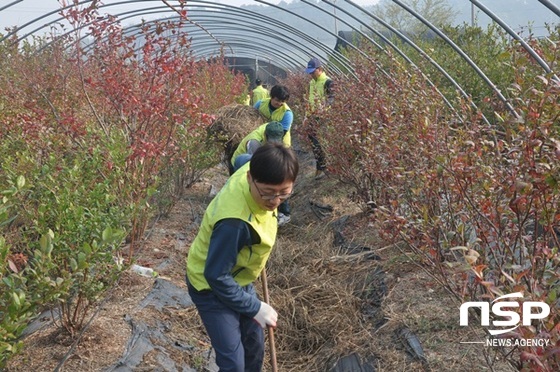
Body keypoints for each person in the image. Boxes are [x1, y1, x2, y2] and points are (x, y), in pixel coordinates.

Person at [186, 143, 299, 372]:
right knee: (234, 363)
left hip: (238, 276)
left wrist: (252, 307)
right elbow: (216, 275)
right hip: (210, 285)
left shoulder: (255, 169)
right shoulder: (234, 224)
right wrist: (254, 306)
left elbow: (243, 159)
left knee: (254, 346)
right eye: (268, 193)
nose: (275, 201)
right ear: (249, 179)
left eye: (284, 193)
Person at [254, 85, 294, 225]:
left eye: (282, 102)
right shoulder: (261, 104)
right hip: (262, 141)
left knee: (281, 176)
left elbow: (280, 134)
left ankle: (285, 212)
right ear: (272, 97)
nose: (279, 104)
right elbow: (251, 118)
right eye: (277, 100)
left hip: (281, 145)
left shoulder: (287, 113)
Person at [305, 57, 334, 180]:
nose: (311, 74)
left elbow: (332, 98)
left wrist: (324, 108)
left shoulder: (328, 82)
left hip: (323, 117)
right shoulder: (312, 83)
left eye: (313, 72)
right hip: (312, 116)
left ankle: (324, 167)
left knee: (319, 142)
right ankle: (320, 167)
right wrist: (306, 116)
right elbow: (310, 100)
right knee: (314, 142)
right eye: (310, 72)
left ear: (320, 69)